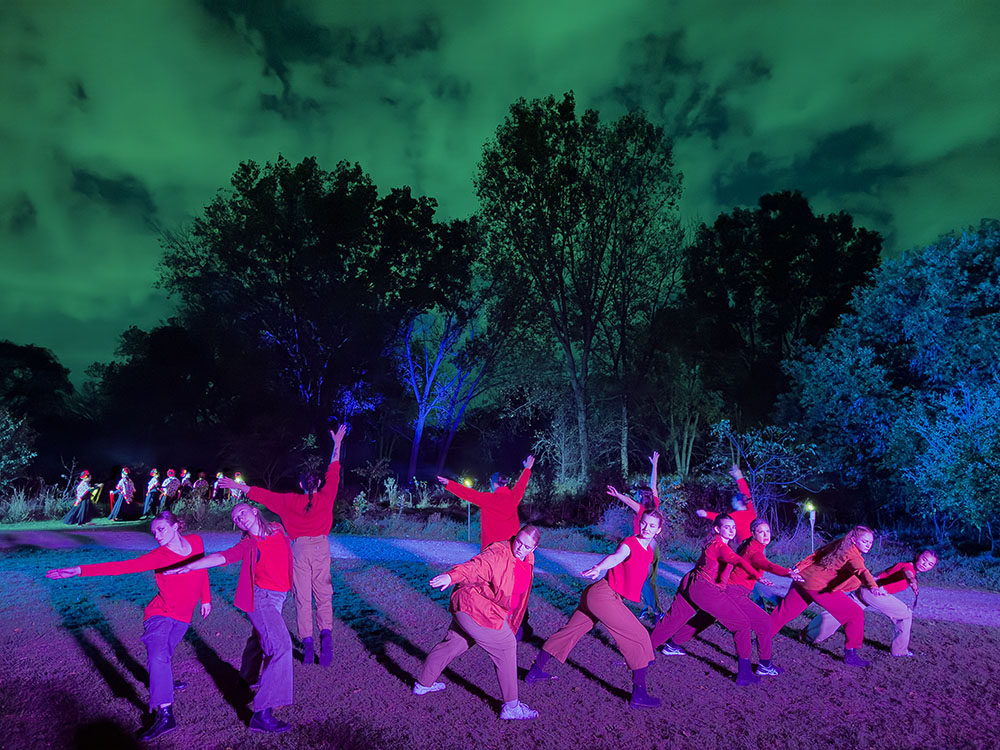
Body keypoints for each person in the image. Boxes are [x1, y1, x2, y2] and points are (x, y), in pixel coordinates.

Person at [46, 511, 212, 741]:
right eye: (153, 532)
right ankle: (165, 715)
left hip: (183, 616)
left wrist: (206, 598)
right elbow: (123, 567)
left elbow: (201, 568)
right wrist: (80, 570)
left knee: (165, 654)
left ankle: (164, 681)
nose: (157, 535)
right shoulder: (159, 555)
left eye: (161, 529)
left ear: (176, 526)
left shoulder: (196, 542)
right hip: (159, 613)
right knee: (157, 654)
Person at [219, 426, 346, 666]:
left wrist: (238, 487)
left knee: (302, 598)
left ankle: (307, 645)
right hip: (321, 547)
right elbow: (334, 470)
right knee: (324, 595)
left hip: (297, 549)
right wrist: (337, 443)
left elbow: (261, 495)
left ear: (300, 485)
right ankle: (326, 638)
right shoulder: (326, 495)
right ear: (317, 483)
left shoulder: (288, 501)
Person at [166, 503, 294, 734]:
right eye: (235, 518)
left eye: (242, 513)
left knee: (260, 637)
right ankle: (262, 715)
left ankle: (245, 679)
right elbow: (222, 557)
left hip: (279, 595)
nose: (239, 519)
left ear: (254, 511)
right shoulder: (249, 543)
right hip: (260, 597)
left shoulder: (277, 528)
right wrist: (189, 566)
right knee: (281, 646)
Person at [524, 510, 664, 708]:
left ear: (658, 530)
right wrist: (599, 567)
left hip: (599, 595)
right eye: (644, 523)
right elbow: (616, 557)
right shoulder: (630, 543)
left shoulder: (649, 551)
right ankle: (639, 695)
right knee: (639, 635)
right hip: (604, 596)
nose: (646, 528)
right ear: (639, 523)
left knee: (570, 632)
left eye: (651, 526)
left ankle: (535, 671)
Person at [413, 525, 542, 720]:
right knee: (506, 645)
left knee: (455, 643)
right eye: (518, 542)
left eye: (526, 546)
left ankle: (423, 684)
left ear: (534, 549)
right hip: (476, 609)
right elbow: (475, 566)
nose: (520, 549)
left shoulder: (528, 558)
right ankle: (512, 707)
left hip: (472, 608)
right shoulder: (498, 553)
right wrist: (451, 576)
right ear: (514, 537)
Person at [662, 519, 799, 677]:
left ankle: (672, 644)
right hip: (734, 593)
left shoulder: (752, 546)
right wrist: (787, 572)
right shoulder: (753, 550)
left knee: (705, 618)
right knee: (764, 621)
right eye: (761, 532)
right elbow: (766, 564)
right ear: (753, 533)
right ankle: (765, 665)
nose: (765, 535)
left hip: (727, 590)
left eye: (767, 531)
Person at [648, 515, 769, 685]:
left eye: (733, 527)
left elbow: (703, 565)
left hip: (692, 582)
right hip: (704, 589)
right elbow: (737, 560)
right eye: (727, 527)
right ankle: (745, 674)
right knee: (742, 624)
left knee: (675, 618)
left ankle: (647, 652)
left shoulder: (713, 544)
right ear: (717, 529)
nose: (732, 530)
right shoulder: (720, 546)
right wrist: (757, 575)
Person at [770, 525, 886, 667]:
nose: (868, 545)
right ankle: (851, 655)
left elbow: (818, 553)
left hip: (802, 580)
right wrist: (873, 586)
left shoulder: (840, 544)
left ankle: (761, 638)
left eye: (870, 542)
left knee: (783, 612)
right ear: (855, 540)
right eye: (865, 541)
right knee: (855, 613)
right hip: (817, 587)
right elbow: (861, 571)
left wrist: (799, 568)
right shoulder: (854, 555)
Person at [804, 548, 938, 657]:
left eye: (930, 564)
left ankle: (810, 635)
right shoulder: (907, 566)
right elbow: (907, 574)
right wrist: (912, 582)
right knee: (905, 615)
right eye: (924, 559)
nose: (925, 564)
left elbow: (883, 575)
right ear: (917, 556)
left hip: (865, 588)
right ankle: (900, 651)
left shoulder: (905, 566)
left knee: (843, 612)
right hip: (873, 591)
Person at [606, 451, 663, 622]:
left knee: (644, 580)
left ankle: (657, 611)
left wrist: (617, 495)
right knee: (645, 578)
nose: (637, 496)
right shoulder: (655, 506)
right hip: (651, 545)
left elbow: (629, 501)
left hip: (645, 546)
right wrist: (654, 465)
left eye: (639, 494)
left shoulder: (641, 509)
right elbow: (654, 486)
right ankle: (647, 608)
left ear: (641, 496)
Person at [437, 455, 535, 550]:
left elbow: (468, 493)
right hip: (510, 546)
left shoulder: (487, 499)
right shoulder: (514, 497)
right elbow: (521, 484)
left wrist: (449, 484)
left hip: (491, 547)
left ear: (493, 483)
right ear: (505, 483)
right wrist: (527, 469)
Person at [695, 464, 756, 543]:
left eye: (733, 501)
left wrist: (705, 514)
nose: (732, 503)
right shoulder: (751, 512)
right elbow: (746, 494)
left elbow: (719, 518)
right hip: (757, 544)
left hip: (746, 547)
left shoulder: (734, 517)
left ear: (739, 502)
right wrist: (739, 477)